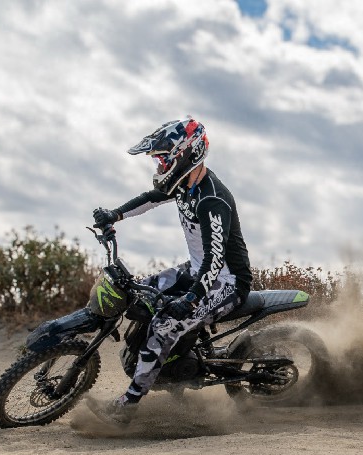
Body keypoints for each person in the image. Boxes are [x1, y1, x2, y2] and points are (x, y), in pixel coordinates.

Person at [87, 117, 252, 426]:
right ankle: (165, 364)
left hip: (227, 281)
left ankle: (128, 405)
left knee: (165, 324)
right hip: (197, 269)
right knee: (139, 291)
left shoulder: (212, 199)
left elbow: (215, 259)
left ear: (186, 154)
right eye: (158, 160)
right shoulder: (183, 184)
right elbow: (151, 199)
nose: (160, 165)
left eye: (163, 159)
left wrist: (191, 298)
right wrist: (115, 214)